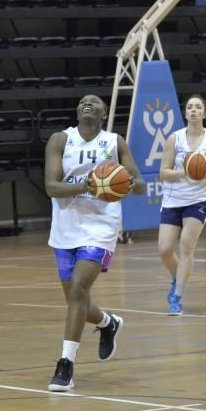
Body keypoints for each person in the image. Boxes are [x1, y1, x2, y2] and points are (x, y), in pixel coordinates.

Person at [45, 94, 145, 392]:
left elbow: (139, 185)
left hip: (101, 225)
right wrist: (85, 184)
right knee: (76, 301)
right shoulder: (60, 140)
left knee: (78, 289)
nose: (88, 102)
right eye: (83, 101)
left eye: (95, 101)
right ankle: (107, 323)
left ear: (103, 113)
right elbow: (51, 187)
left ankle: (66, 364)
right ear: (77, 111)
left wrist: (124, 183)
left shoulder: (116, 142)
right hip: (66, 225)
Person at [158, 94, 206, 315]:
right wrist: (185, 171)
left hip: (198, 200)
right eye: (190, 108)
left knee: (186, 246)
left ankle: (177, 297)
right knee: (165, 250)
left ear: (204, 113)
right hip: (173, 198)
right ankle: (177, 278)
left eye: (198, 107)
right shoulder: (174, 139)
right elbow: (163, 173)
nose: (194, 110)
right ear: (186, 113)